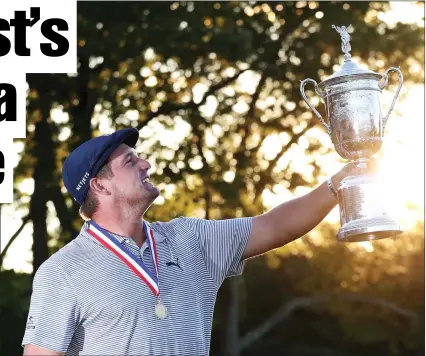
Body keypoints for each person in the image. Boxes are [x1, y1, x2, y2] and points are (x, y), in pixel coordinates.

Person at [22, 127, 369, 356]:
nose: (145, 164)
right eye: (130, 161)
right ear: (99, 185)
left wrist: (337, 185)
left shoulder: (191, 240)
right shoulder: (63, 272)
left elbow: (275, 226)